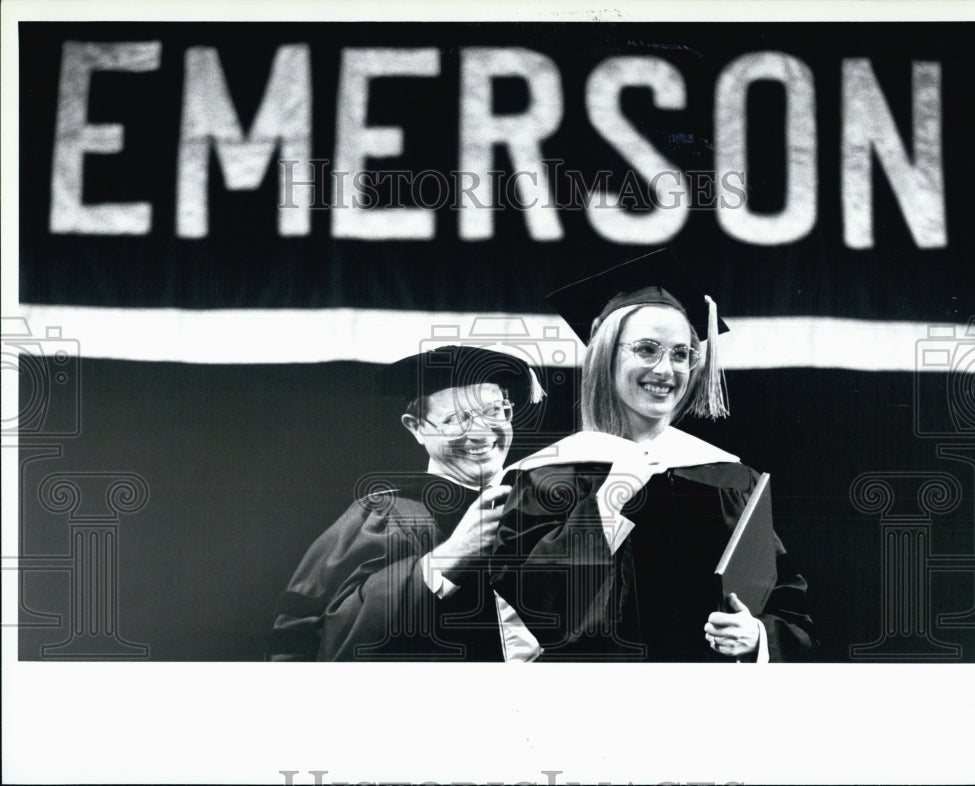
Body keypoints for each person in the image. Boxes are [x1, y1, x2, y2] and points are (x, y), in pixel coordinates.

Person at [490, 249, 816, 662]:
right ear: (605, 353)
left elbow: (789, 609)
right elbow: (536, 609)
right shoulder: (544, 477)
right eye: (647, 349)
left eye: (681, 353)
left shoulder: (729, 478)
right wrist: (610, 499)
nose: (666, 369)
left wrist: (757, 635)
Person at [268, 345, 543, 661]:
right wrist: (446, 559)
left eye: (494, 410)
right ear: (417, 427)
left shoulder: (538, 503)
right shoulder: (387, 514)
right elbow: (320, 639)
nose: (481, 432)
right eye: (456, 418)